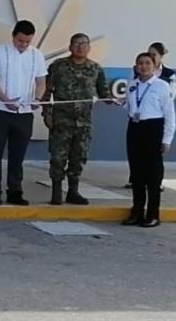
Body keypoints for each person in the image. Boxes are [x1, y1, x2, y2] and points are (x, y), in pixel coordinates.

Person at [42, 33, 112, 205]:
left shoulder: (95, 69)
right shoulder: (58, 66)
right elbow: (46, 92)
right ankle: (56, 193)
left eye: (84, 44)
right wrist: (47, 113)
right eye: (76, 43)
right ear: (70, 47)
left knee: (78, 158)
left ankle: (73, 192)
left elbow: (104, 94)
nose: (80, 47)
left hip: (84, 123)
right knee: (58, 157)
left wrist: (120, 100)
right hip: (61, 122)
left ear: (89, 47)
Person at [0, 20, 47, 206]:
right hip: (0, 111)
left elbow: (41, 82)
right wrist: (5, 99)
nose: (23, 45)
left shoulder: (36, 55)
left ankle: (15, 191)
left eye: (27, 41)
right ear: (13, 36)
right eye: (20, 40)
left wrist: (37, 98)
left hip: (25, 113)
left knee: (18, 155)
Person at [122, 52, 175, 228]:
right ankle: (136, 211)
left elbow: (169, 114)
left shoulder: (162, 86)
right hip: (135, 128)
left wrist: (166, 139)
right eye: (140, 63)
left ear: (154, 66)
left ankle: (153, 214)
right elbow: (129, 107)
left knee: (153, 175)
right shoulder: (132, 85)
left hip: (153, 128)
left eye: (147, 63)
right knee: (136, 174)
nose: (143, 66)